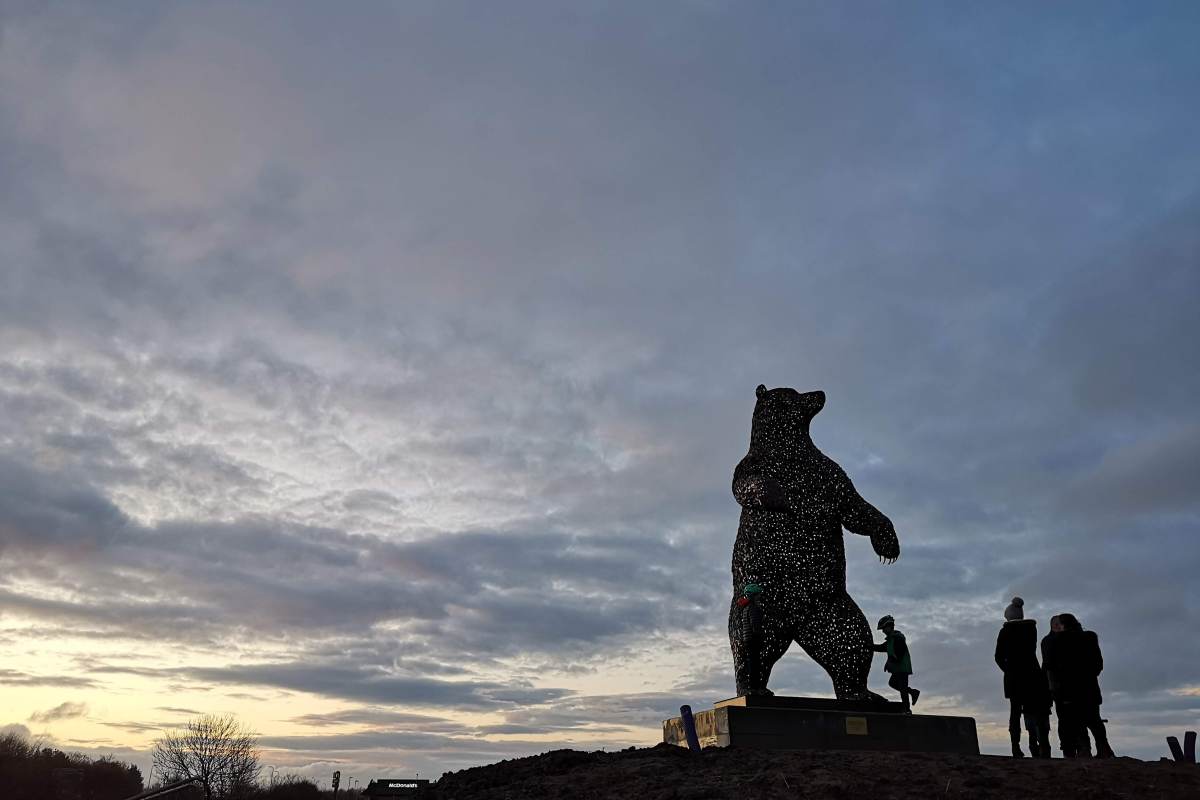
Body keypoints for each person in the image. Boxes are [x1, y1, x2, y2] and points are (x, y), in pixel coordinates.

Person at [1042, 613, 1115, 758]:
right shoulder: (1090, 638)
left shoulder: (1057, 641)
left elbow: (1050, 665)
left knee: (1078, 721)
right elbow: (1098, 665)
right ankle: (1104, 748)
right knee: (1094, 719)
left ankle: (1084, 750)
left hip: (1069, 688)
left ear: (1063, 625)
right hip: (1089, 686)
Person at [994, 597, 1052, 757]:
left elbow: (998, 656)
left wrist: (1008, 669)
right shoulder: (1031, 629)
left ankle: (1015, 747)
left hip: (1014, 678)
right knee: (1036, 711)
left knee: (1015, 713)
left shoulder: (1005, 631)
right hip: (1033, 675)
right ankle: (1040, 744)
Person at [729, 583, 771, 696]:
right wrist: (760, 635)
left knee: (752, 663)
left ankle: (753, 687)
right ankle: (755, 688)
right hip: (754, 639)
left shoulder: (746, 608)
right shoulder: (753, 608)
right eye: (758, 595)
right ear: (753, 596)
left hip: (748, 639)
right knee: (755, 665)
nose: (760, 597)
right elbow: (755, 625)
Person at [872, 615, 920, 712]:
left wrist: (890, 662)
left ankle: (907, 709)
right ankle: (913, 692)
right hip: (897, 668)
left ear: (889, 626)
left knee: (902, 689)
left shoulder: (898, 638)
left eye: (884, 628)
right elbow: (882, 648)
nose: (883, 631)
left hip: (902, 667)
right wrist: (869, 646)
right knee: (893, 683)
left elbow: (899, 654)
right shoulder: (890, 640)